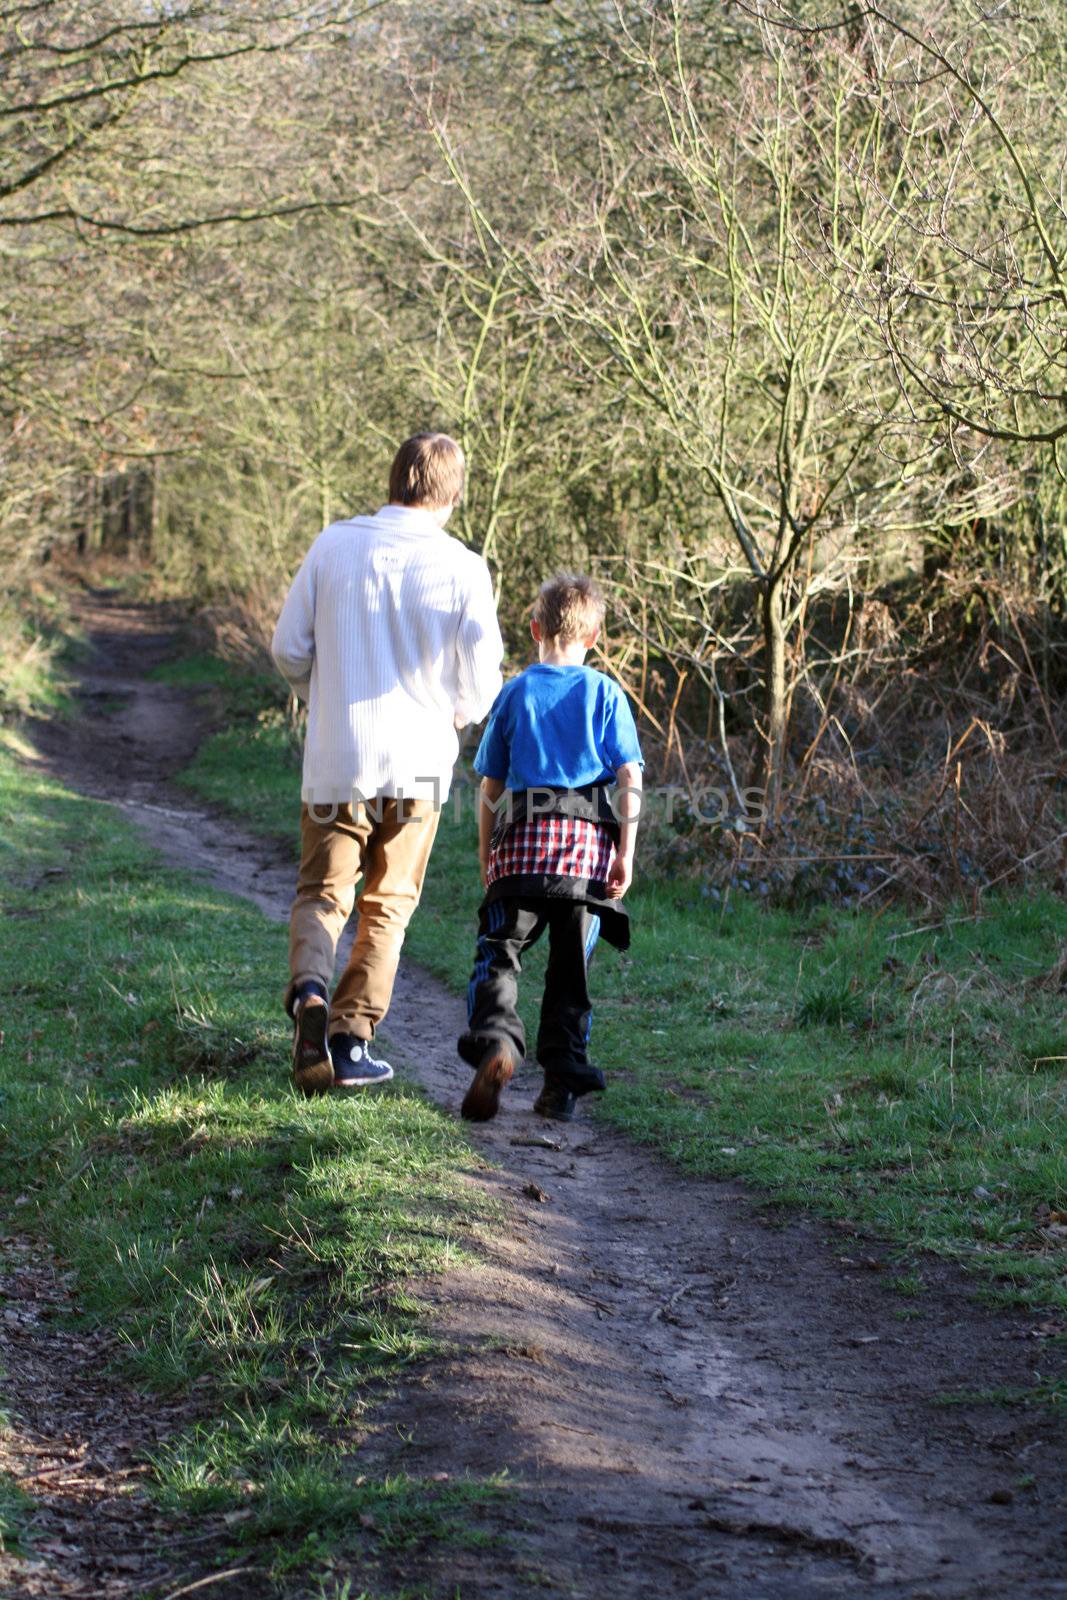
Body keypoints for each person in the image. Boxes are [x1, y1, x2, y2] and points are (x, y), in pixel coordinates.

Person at [271, 432, 503, 1094]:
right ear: (453, 494)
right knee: (387, 905)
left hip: (336, 759)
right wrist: (455, 713)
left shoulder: (334, 544)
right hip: (420, 765)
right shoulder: (463, 567)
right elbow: (483, 686)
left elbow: (288, 649)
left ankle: (310, 989)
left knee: (322, 893)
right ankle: (348, 1040)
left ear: (393, 479)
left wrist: (326, 697)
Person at [458, 572, 643, 1123]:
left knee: (499, 953)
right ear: (593, 638)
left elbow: (490, 787)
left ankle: (496, 1043)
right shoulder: (606, 693)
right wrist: (625, 852)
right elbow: (629, 777)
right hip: (585, 859)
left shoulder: (514, 692)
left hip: (523, 849)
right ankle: (559, 1087)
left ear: (535, 628)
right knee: (570, 975)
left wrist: (487, 854)